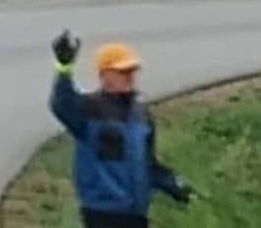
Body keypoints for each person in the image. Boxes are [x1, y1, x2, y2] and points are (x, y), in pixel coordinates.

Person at [48, 30, 194, 228]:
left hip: (135, 213)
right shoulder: (88, 109)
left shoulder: (141, 115)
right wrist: (64, 68)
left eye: (132, 71)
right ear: (104, 75)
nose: (130, 77)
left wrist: (172, 184)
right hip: (101, 212)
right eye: (123, 72)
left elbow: (147, 164)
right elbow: (61, 104)